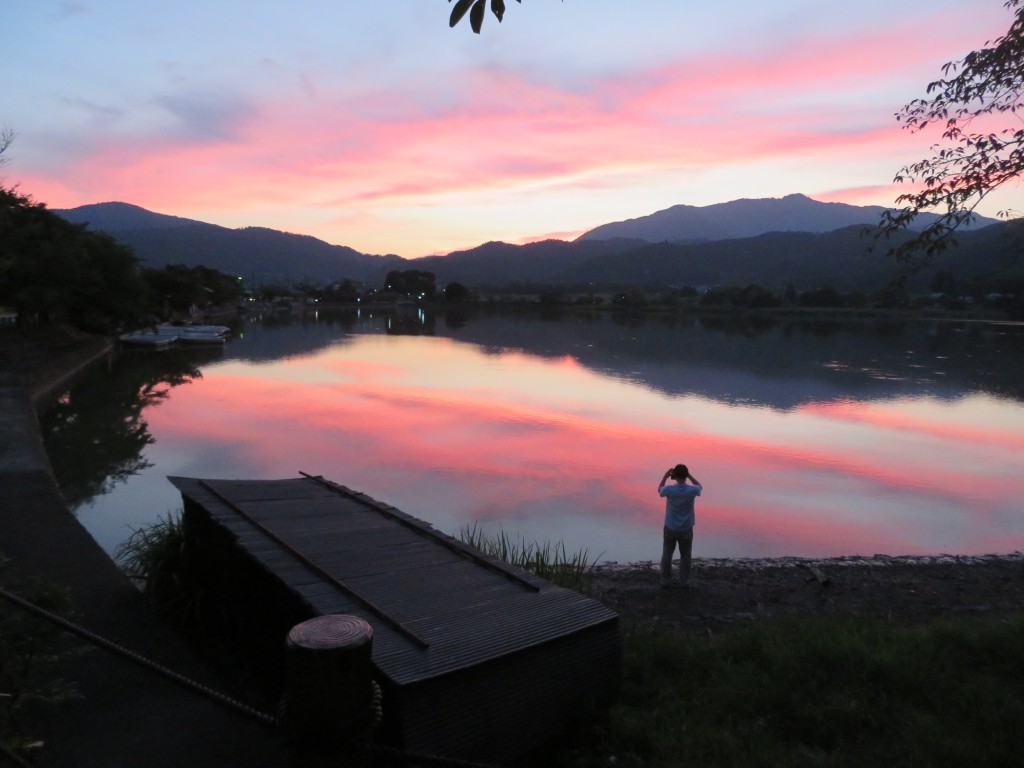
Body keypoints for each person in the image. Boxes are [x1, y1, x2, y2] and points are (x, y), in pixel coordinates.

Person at [658, 463, 702, 589]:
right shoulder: (692, 490)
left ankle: (666, 579)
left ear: (675, 476)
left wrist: (665, 476)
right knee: (685, 555)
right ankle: (683, 581)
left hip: (670, 526)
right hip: (686, 528)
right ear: (686, 476)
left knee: (667, 553)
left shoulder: (669, 489)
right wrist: (689, 476)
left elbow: (660, 490)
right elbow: (700, 487)